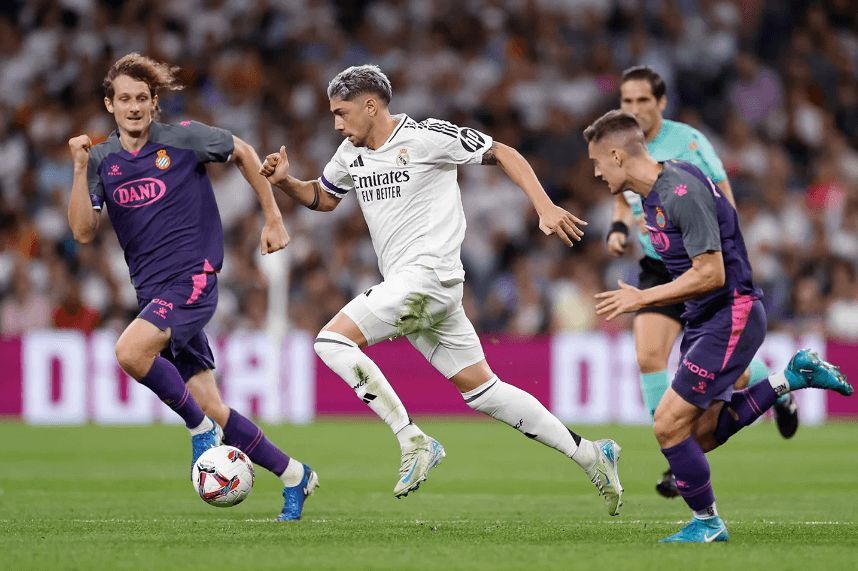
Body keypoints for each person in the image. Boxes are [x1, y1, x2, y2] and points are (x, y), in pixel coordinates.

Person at [261, 64, 624, 515]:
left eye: (342, 112)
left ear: (371, 105)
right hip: (416, 289)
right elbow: (325, 198)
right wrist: (285, 185)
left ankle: (413, 438)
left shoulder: (427, 136)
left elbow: (503, 151)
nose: (336, 123)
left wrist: (544, 207)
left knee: (331, 341)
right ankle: (591, 454)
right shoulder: (348, 154)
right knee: (484, 391)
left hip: (429, 275)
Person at [67, 53, 316, 522]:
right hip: (152, 292)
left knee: (129, 352)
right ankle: (294, 475)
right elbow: (82, 232)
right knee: (211, 403)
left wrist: (273, 216)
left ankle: (198, 431)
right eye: (125, 99)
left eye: (142, 98)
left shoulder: (183, 138)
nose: (134, 107)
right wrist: (79, 169)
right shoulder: (101, 159)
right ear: (110, 104)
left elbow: (242, 150)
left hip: (193, 277)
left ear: (154, 103)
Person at [585, 110, 852, 542]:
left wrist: (642, 298)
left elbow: (712, 274)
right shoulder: (656, 195)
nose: (596, 172)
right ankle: (791, 376)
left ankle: (708, 524)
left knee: (668, 426)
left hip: (731, 314)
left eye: (597, 161)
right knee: (700, 434)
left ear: (616, 155)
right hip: (705, 318)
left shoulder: (679, 190)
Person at [607, 66, 798, 498]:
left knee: (719, 367)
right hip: (658, 266)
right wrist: (618, 228)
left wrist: (726, 253)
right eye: (626, 101)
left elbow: (723, 197)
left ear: (661, 103)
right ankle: (676, 450)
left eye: (641, 101)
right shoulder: (620, 144)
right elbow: (622, 197)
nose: (633, 109)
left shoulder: (689, 143)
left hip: (699, 262)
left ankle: (772, 384)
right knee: (648, 355)